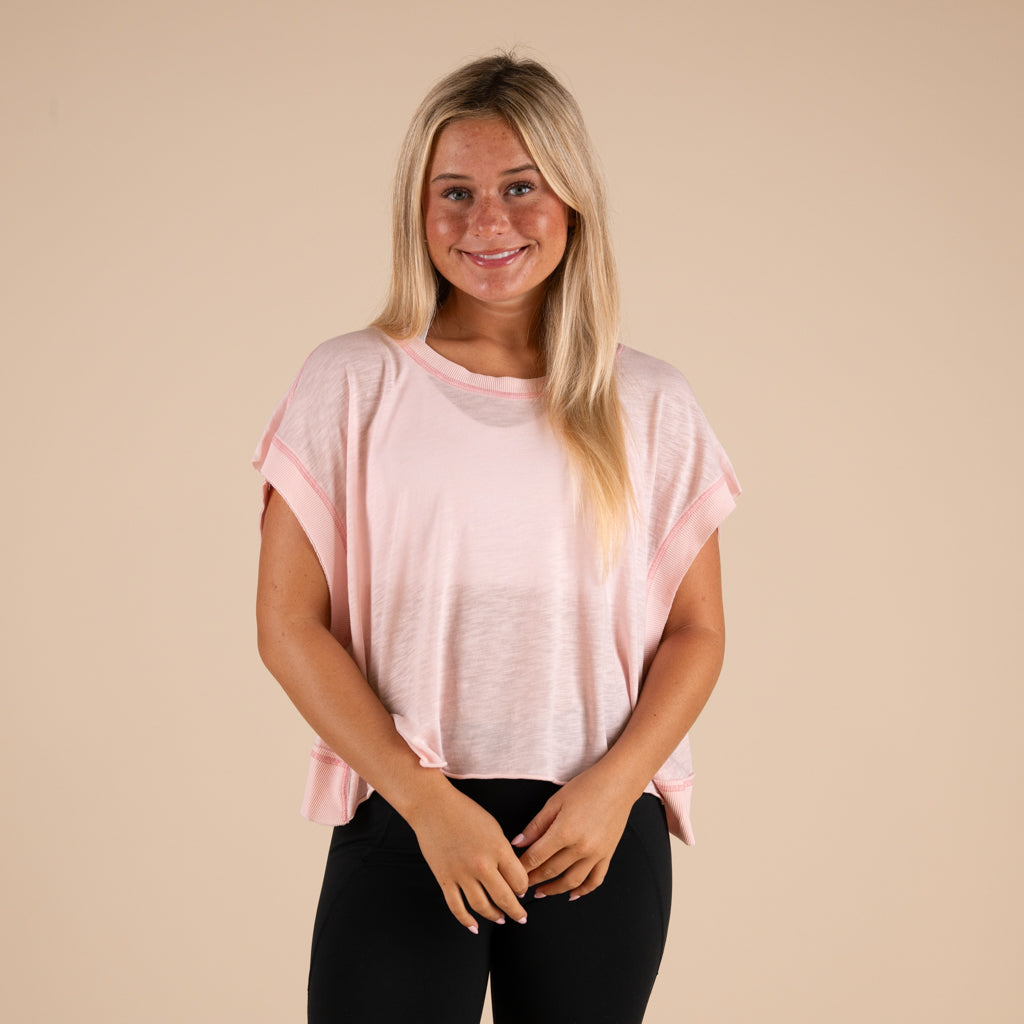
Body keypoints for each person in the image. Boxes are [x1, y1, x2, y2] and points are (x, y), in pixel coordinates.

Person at [254, 52, 740, 1024]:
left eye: (521, 187)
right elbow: (287, 624)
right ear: (417, 210)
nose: (488, 222)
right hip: (409, 812)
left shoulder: (647, 402)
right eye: (455, 192)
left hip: (591, 831)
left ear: (571, 202)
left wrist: (617, 786)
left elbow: (697, 632)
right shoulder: (352, 384)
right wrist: (423, 802)